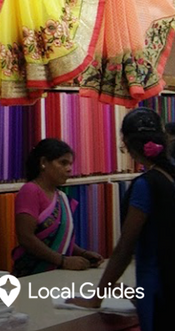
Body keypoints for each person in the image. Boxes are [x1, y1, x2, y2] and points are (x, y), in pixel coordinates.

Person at [68, 108, 175, 331]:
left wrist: (96, 298)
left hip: (157, 289)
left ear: (126, 143)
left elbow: (124, 249)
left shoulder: (145, 186)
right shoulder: (170, 177)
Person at [11, 138, 103, 276]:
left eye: (71, 164)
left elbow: (61, 239)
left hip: (56, 275)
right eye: (63, 163)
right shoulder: (30, 191)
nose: (69, 169)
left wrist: (82, 253)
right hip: (33, 274)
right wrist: (63, 261)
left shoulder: (60, 196)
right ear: (43, 163)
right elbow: (26, 238)